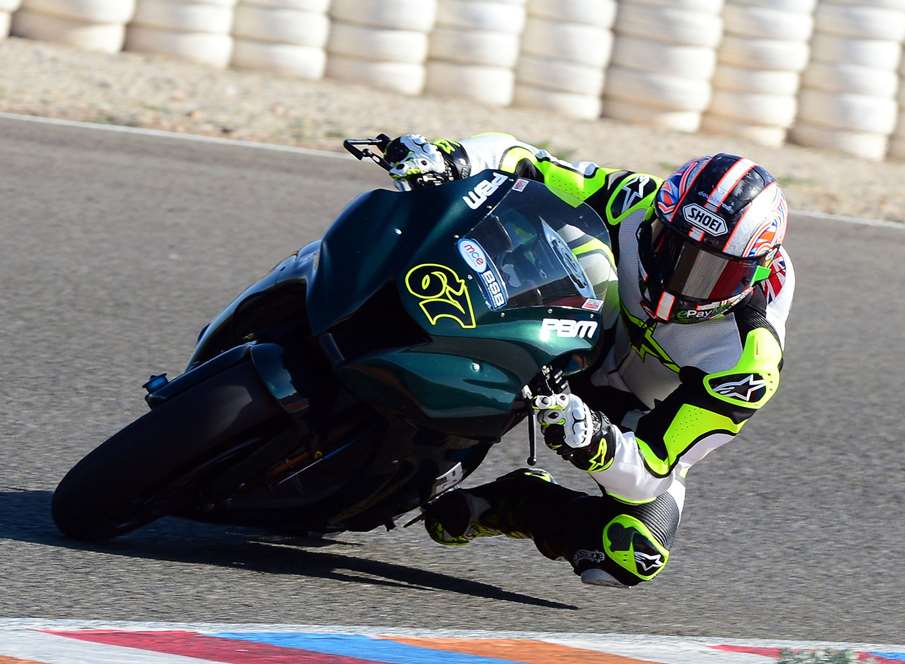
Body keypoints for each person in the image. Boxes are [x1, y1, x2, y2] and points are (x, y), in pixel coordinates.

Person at [384, 133, 794, 588]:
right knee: (570, 237)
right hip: (579, 324)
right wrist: (451, 158)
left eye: (706, 272)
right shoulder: (640, 201)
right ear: (659, 218)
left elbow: (653, 471)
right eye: (668, 246)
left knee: (634, 553)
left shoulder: (748, 362)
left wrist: (599, 446)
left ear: (753, 274)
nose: (676, 278)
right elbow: (529, 162)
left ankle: (516, 503)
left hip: (635, 411)